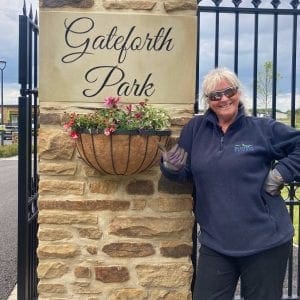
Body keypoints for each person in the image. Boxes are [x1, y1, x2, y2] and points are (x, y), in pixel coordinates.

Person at [160, 67, 300, 300]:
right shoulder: (195, 130)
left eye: (229, 91)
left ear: (238, 92)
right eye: (216, 95)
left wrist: (280, 174)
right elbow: (184, 173)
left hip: (265, 242)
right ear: (208, 101)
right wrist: (170, 168)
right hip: (217, 244)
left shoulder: (262, 129)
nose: (224, 98)